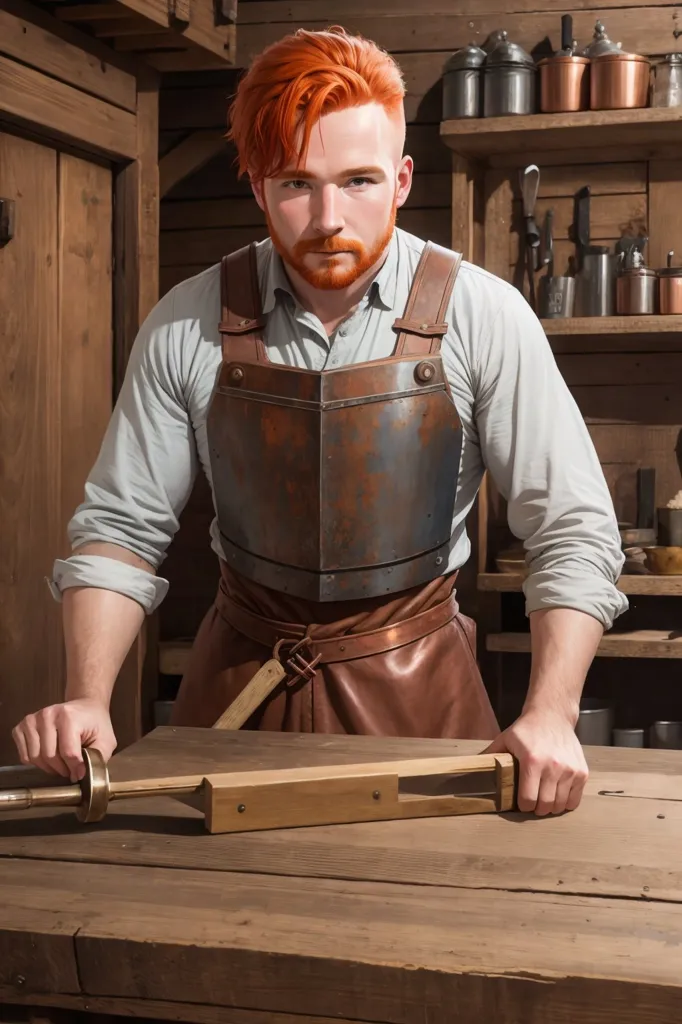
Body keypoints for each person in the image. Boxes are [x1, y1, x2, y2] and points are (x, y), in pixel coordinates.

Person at [12, 27, 627, 817]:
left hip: (423, 697)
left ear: (402, 180)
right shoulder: (185, 323)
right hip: (233, 696)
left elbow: (573, 529)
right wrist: (87, 697)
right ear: (258, 187)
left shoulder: (485, 316)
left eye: (360, 180)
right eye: (297, 183)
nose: (329, 216)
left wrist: (551, 713)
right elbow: (121, 530)